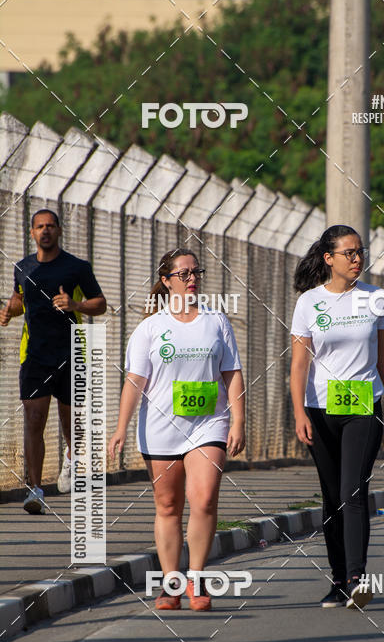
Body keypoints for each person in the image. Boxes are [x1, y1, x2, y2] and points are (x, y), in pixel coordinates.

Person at [108, 248, 245, 612]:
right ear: (166, 281)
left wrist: (238, 420)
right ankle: (171, 583)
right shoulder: (151, 328)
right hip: (161, 426)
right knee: (168, 505)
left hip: (208, 424)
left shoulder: (217, 321)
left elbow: (232, 373)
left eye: (196, 272)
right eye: (183, 274)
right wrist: (120, 428)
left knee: (204, 498)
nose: (192, 279)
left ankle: (196, 579)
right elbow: (134, 381)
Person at [290, 224, 384, 610]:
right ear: (329, 258)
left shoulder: (377, 300)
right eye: (349, 253)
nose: (357, 259)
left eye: (360, 252)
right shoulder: (309, 302)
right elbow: (299, 364)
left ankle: (358, 579)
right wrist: (298, 412)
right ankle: (338, 580)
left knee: (352, 492)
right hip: (319, 409)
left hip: (363, 407)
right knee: (331, 497)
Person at [0, 209, 106, 513]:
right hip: (34, 355)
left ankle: (71, 457)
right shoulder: (22, 267)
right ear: (32, 232)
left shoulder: (77, 267)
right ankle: (35, 490)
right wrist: (10, 311)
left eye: (50, 226)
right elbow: (20, 299)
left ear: (59, 230)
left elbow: (100, 304)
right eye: (39, 226)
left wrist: (76, 304)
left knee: (70, 421)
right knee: (34, 419)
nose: (45, 231)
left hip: (70, 352)